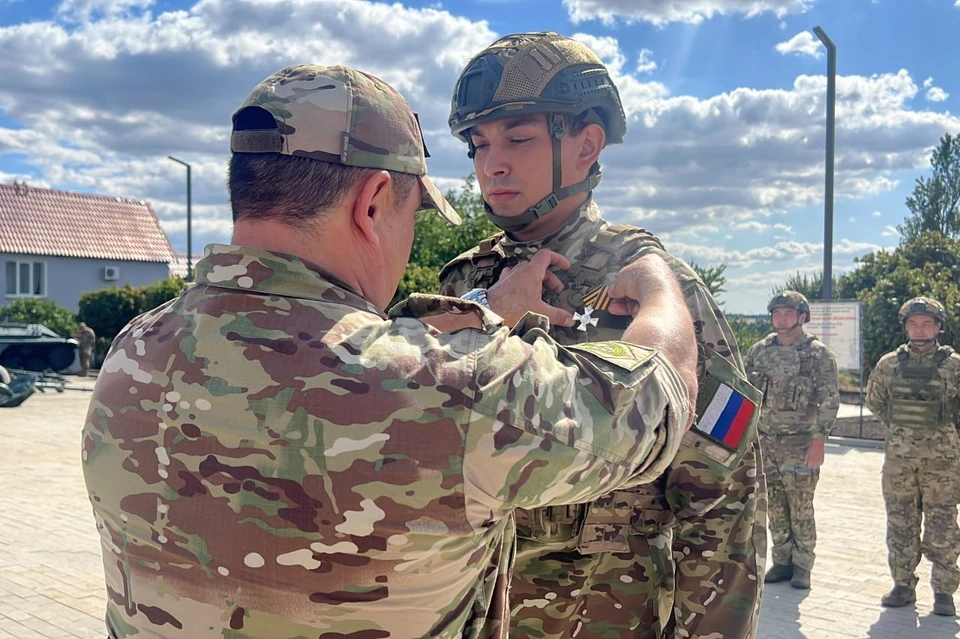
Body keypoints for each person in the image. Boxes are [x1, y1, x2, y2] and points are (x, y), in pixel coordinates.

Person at [80, 63, 700, 639]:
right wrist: (657, 282)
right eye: (409, 215)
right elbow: (658, 395)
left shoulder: (133, 351)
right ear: (373, 202)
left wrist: (487, 310)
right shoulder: (457, 390)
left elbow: (349, 356)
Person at [439, 32, 766, 638]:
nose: (492, 163)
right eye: (478, 145)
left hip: (602, 615)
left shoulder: (651, 286)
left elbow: (721, 500)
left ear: (587, 145)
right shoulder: (463, 281)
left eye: (518, 137)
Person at [865, 296, 960, 617]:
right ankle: (903, 585)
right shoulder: (888, 364)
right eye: (913, 323)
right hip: (900, 461)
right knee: (900, 523)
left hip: (943, 463)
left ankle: (944, 591)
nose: (920, 328)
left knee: (943, 524)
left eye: (927, 323)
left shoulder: (954, 365)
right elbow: (876, 401)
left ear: (938, 327)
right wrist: (902, 431)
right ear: (905, 326)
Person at [745, 290, 839, 590]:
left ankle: (802, 566)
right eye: (776, 313)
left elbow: (831, 399)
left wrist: (819, 440)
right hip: (764, 443)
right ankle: (782, 561)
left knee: (801, 507)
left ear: (802, 317)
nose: (781, 318)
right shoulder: (759, 351)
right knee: (774, 507)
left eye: (787, 313)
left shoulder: (818, 354)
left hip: (800, 445)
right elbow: (744, 393)